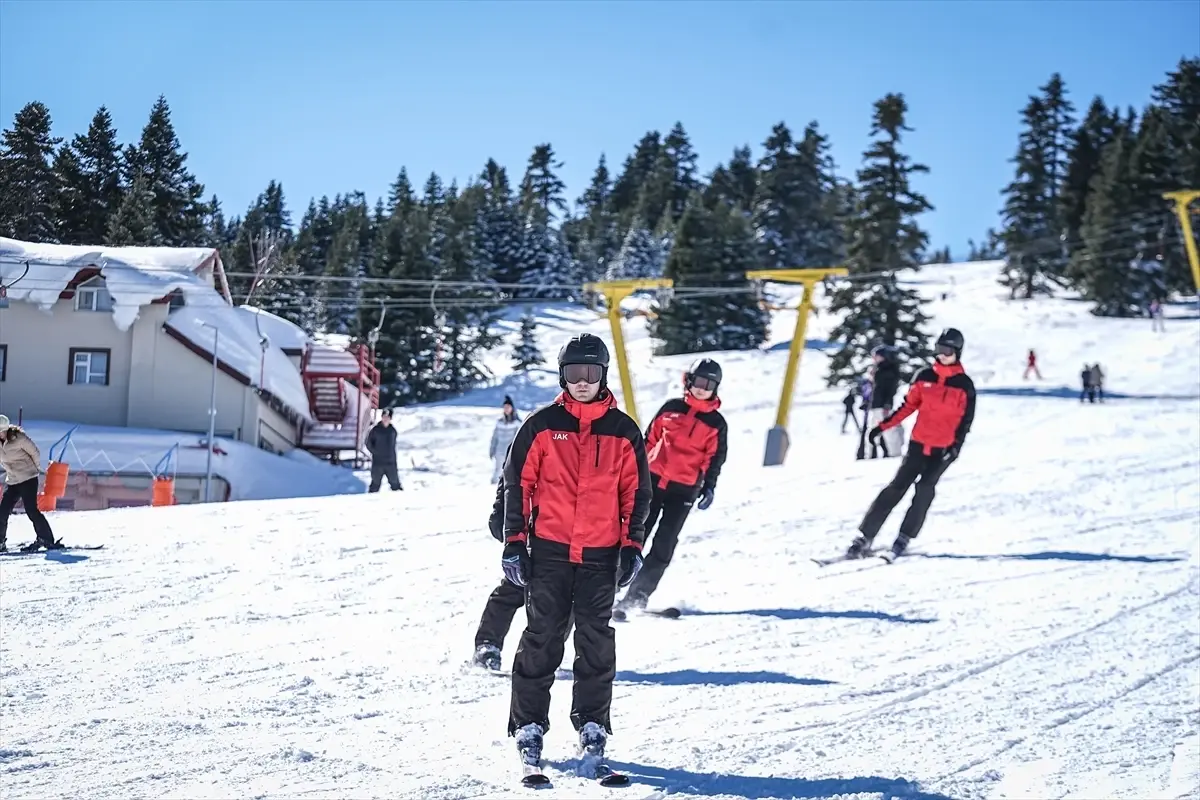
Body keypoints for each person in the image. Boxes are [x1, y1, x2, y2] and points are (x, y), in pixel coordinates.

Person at [500, 332, 652, 769]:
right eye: (573, 373)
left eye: (589, 373)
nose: (581, 382)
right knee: (541, 636)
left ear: (602, 375)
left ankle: (593, 722)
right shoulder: (541, 425)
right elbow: (518, 485)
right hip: (549, 551)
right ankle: (528, 723)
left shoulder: (623, 430)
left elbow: (636, 493)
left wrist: (633, 544)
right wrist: (514, 541)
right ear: (562, 376)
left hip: (601, 555)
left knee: (596, 639)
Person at [846, 328, 976, 559]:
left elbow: (966, 421)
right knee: (896, 488)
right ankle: (864, 537)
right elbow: (908, 406)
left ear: (957, 352)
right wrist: (883, 427)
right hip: (918, 444)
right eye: (939, 349)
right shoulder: (924, 376)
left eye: (947, 350)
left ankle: (905, 536)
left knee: (925, 490)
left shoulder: (964, 385)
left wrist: (955, 447)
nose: (942, 355)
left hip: (943, 450)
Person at [615, 357, 727, 612]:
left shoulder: (716, 424)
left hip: (684, 490)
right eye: (699, 381)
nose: (702, 388)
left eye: (709, 384)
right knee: (634, 536)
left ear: (716, 388)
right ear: (689, 380)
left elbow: (715, 458)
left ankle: (637, 596)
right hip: (652, 482)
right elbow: (649, 440)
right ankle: (610, 588)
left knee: (665, 543)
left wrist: (709, 486)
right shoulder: (671, 407)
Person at [471, 477, 573, 671]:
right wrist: (500, 508)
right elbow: (512, 472)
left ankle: (548, 650)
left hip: (581, 533)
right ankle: (488, 644)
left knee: (566, 597)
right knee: (515, 585)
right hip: (538, 525)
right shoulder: (534, 445)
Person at [0, 416, 62, 552]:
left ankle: (45, 539)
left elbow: (35, 452)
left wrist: (35, 469)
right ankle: (0, 542)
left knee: (31, 510)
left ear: (5, 430)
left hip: (28, 478)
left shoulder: (19, 438)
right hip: (13, 480)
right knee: (2, 511)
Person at [858, 345, 902, 459]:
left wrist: (887, 403)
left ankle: (894, 453)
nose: (874, 358)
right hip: (877, 405)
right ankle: (870, 453)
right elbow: (873, 389)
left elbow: (890, 389)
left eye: (877, 356)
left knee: (888, 429)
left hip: (883, 405)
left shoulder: (888, 370)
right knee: (874, 430)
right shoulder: (879, 370)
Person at [365, 409, 402, 492]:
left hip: (390, 462)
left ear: (390, 418)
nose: (385, 419)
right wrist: (376, 452)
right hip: (378, 462)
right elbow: (368, 443)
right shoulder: (375, 430)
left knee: (395, 484)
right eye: (384, 417)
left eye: (387, 417)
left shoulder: (392, 431)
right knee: (375, 484)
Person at [489, 396, 522, 483]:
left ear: (512, 408)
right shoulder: (499, 422)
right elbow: (494, 437)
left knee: (509, 473)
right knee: (497, 471)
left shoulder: (517, 423)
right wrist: (492, 450)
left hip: (510, 452)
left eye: (508, 407)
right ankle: (493, 487)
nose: (506, 409)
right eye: (505, 407)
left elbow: (519, 439)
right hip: (499, 451)